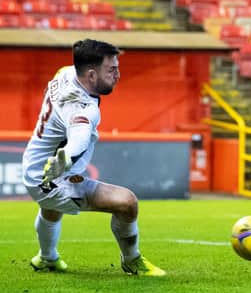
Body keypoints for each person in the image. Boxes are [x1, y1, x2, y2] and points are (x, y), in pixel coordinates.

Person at [22, 39, 165, 276]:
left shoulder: (65, 73)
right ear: (90, 74)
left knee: (51, 209)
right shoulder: (83, 108)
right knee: (127, 202)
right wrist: (66, 158)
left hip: (35, 165)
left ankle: (47, 258)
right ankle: (132, 260)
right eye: (111, 70)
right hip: (52, 176)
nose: (118, 75)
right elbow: (78, 136)